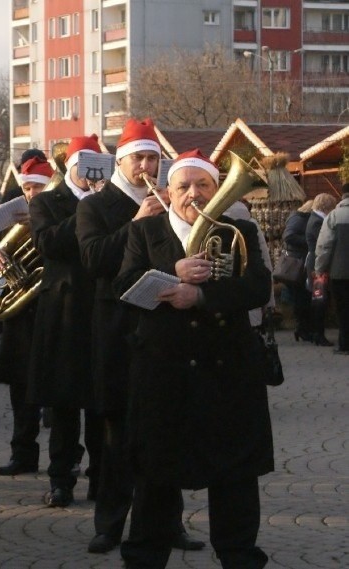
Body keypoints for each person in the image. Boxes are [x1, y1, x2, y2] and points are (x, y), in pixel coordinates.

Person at [113, 149, 274, 569]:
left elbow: (257, 286)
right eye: (183, 186)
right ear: (168, 191)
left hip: (227, 375)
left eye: (202, 184)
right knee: (155, 480)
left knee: (235, 482)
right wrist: (173, 271)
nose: (193, 194)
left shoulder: (241, 229)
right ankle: (145, 559)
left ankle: (240, 558)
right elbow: (126, 286)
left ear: (216, 188)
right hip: (163, 376)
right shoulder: (145, 232)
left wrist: (201, 295)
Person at [75, 118, 203, 555]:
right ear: (121, 162)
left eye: (152, 158)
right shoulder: (95, 205)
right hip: (115, 328)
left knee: (167, 428)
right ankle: (109, 523)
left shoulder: (171, 199)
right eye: (138, 158)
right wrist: (135, 222)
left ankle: (169, 524)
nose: (146, 166)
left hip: (163, 331)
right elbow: (92, 259)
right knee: (115, 432)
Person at [26, 136, 104, 507]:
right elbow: (49, 244)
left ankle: (102, 476)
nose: (91, 172)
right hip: (64, 310)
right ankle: (61, 478)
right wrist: (86, 210)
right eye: (83, 164)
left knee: (101, 402)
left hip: (101, 306)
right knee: (64, 401)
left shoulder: (112, 202)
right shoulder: (46, 201)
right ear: (69, 167)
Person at [0, 156, 47, 478]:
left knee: (59, 396)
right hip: (20, 320)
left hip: (53, 317)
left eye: (38, 187)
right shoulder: (10, 220)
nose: (31, 193)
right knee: (20, 396)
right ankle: (22, 454)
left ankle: (70, 459)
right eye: (27, 187)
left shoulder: (60, 216)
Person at [315, 184, 349, 355]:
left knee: (342, 309)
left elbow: (324, 246)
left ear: (342, 195)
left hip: (340, 272)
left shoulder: (334, 216)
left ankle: (344, 344)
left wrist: (320, 268)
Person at [305, 192, 338, 346]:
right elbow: (323, 244)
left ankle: (316, 333)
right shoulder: (319, 222)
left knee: (319, 300)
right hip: (317, 264)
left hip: (315, 261)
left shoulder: (314, 218)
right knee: (320, 301)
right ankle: (318, 334)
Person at [282, 200, 314, 341]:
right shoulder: (299, 218)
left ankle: (303, 329)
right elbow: (288, 236)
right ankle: (302, 329)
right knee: (301, 298)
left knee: (303, 298)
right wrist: (310, 241)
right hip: (298, 263)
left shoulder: (298, 218)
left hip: (300, 262)